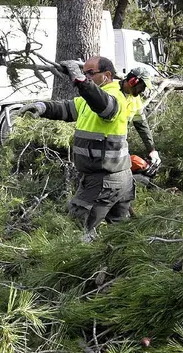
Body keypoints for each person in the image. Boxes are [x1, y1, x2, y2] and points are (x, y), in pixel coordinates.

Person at [18, 56, 134, 240]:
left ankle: (76, 264)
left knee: (76, 227)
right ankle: (124, 264)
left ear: (107, 75)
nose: (86, 77)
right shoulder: (89, 101)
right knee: (121, 233)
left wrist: (79, 78)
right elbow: (66, 108)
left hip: (104, 179)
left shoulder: (114, 98)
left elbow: (102, 104)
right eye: (84, 73)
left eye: (90, 73)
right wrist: (42, 107)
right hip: (116, 177)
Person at [119, 68, 160, 167]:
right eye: (142, 86)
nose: (142, 91)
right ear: (133, 82)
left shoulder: (135, 99)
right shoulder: (112, 92)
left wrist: (152, 150)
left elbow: (142, 126)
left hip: (117, 147)